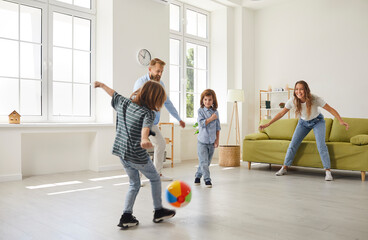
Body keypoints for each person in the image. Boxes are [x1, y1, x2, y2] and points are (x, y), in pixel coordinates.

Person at [94, 80, 176, 229]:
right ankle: (158, 211)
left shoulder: (124, 102)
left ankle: (126, 216)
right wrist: (144, 139)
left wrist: (101, 85)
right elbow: (145, 129)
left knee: (134, 183)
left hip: (121, 152)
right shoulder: (148, 113)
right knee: (155, 178)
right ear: (153, 99)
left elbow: (113, 93)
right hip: (136, 155)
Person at [259, 80, 349, 181]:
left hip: (317, 121)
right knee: (293, 144)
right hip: (303, 123)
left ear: (306, 90)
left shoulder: (315, 99)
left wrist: (340, 120)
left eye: (301, 89)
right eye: (296, 89)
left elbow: (331, 109)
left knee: (321, 145)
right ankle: (284, 167)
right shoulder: (293, 100)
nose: (299, 91)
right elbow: (281, 113)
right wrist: (268, 123)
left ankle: (327, 171)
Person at [133, 58, 185, 181]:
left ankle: (157, 175)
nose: (160, 74)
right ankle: (137, 178)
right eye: (157, 71)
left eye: (161, 71)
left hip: (153, 123)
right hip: (140, 122)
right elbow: (134, 102)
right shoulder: (140, 83)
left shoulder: (161, 84)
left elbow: (167, 102)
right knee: (140, 148)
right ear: (150, 69)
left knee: (160, 144)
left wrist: (179, 119)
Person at [194, 89, 221, 188]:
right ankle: (207, 180)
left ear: (213, 100)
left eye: (209, 100)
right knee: (204, 162)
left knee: (207, 162)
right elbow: (201, 124)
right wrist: (211, 118)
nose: (207, 102)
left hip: (212, 142)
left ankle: (198, 176)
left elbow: (218, 128)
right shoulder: (200, 111)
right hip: (202, 142)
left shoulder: (215, 112)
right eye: (205, 99)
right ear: (202, 100)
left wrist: (217, 140)